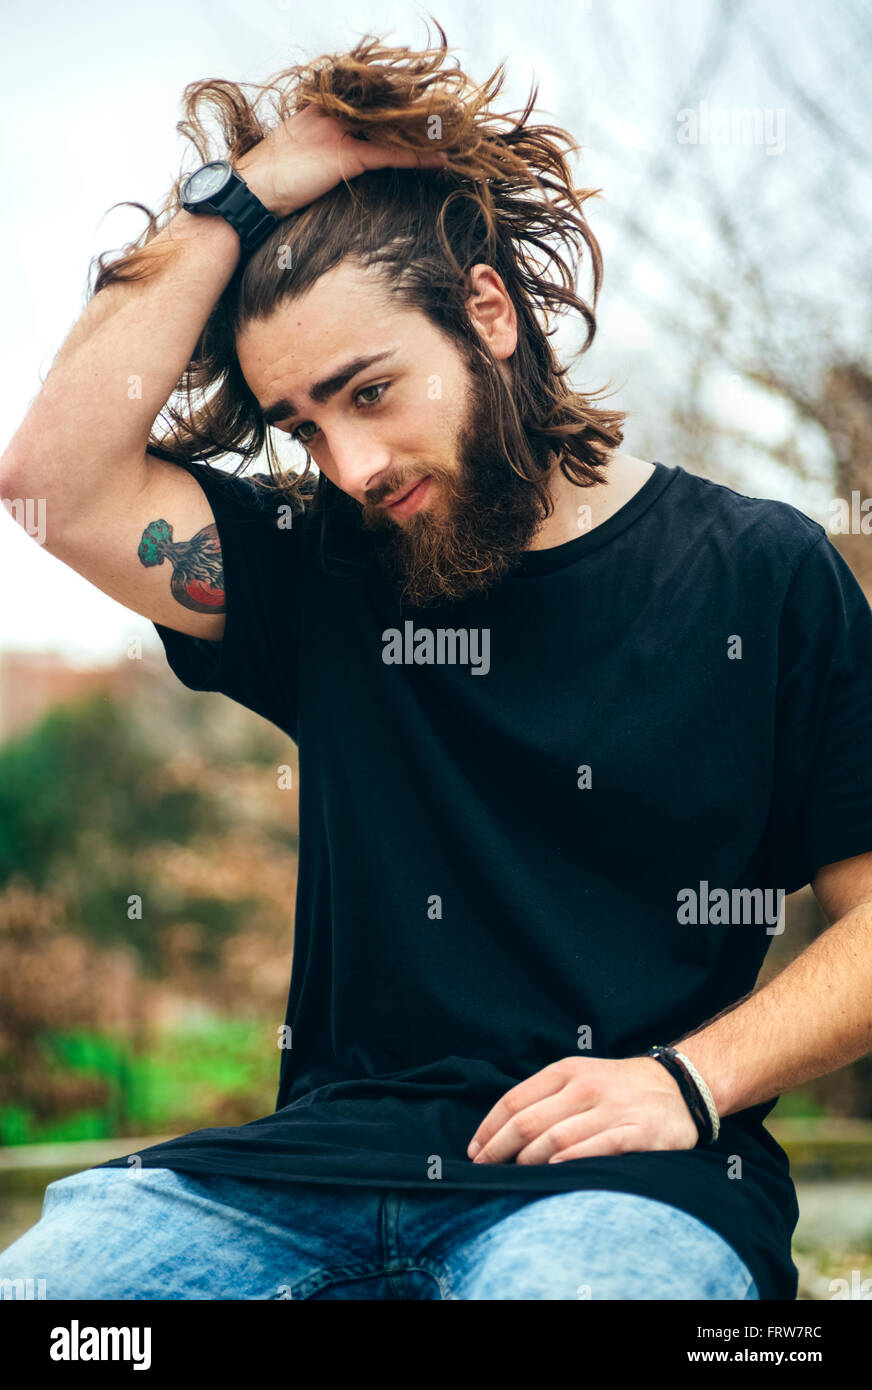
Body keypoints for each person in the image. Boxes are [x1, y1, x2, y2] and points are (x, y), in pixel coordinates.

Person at [2, 24, 872, 1302]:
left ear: (488, 313)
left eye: (368, 392)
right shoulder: (322, 565)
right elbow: (49, 484)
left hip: (615, 1187)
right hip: (291, 1182)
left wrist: (689, 1081)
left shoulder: (760, 572)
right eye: (303, 426)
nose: (348, 466)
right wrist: (249, 188)